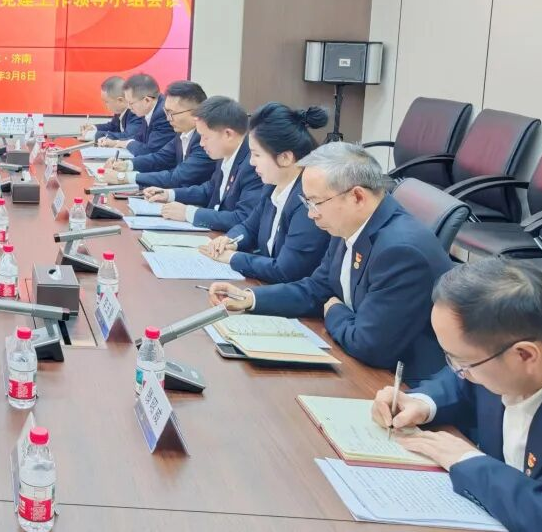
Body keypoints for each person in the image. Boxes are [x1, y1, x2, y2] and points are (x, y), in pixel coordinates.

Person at [208, 142, 452, 383]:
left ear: (357, 197)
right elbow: (318, 288)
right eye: (307, 203)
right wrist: (250, 298)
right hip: (356, 359)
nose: (311, 213)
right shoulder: (349, 223)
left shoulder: (401, 252)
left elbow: (369, 345)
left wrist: (335, 311)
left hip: (401, 385)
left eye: (315, 203)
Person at [370, 259, 542, 531]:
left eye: (462, 362)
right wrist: (421, 403)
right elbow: (460, 385)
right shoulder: (497, 361)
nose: (458, 371)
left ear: (525, 355)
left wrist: (468, 462)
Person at [200, 103, 331, 283]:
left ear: (285, 157)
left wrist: (233, 258)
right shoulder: (272, 186)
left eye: (257, 155)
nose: (251, 162)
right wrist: (229, 241)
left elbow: (286, 270)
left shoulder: (308, 199)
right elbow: (249, 228)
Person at [146, 96, 264, 231]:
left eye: (205, 137)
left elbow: (242, 218)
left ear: (228, 134)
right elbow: (210, 190)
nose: (201, 143)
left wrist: (188, 213)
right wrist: (169, 194)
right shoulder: (225, 153)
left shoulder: (253, 165)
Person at [101, 81, 215, 189]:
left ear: (195, 113)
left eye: (172, 113)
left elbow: (177, 177)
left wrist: (123, 177)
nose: (168, 118)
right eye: (166, 112)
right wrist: (126, 164)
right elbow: (160, 158)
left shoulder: (205, 140)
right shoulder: (182, 132)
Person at [95, 74, 174, 156]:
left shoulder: (162, 114)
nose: (129, 107)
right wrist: (116, 142)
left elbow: (150, 150)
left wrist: (126, 144)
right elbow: (139, 138)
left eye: (131, 103)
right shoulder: (148, 109)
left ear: (147, 100)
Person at [78, 76, 136, 141]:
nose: (105, 105)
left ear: (120, 101)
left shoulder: (135, 112)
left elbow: (128, 136)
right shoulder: (120, 110)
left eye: (106, 102)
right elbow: (113, 126)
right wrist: (93, 128)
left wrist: (93, 135)